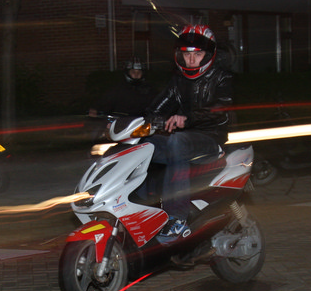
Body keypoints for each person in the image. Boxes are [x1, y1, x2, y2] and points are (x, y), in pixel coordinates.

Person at [145, 24, 233, 242]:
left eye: (198, 54)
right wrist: (137, 121)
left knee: (177, 142)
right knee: (144, 145)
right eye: (186, 55)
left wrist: (187, 118)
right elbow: (156, 108)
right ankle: (141, 211)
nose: (191, 60)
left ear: (208, 55)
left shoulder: (222, 77)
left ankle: (177, 218)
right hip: (184, 139)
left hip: (211, 139)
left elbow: (220, 109)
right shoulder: (178, 80)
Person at [90, 57, 157, 118]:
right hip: (121, 122)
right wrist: (95, 109)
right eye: (133, 72)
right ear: (128, 73)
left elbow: (156, 106)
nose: (136, 74)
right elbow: (104, 102)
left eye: (139, 72)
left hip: (141, 123)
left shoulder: (149, 90)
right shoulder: (118, 89)